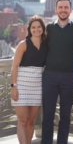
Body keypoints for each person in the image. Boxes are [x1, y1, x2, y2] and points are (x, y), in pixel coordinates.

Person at [42, 0, 73, 144]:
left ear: (70, 10)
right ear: (56, 9)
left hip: (70, 76)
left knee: (65, 116)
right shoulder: (49, 28)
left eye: (66, 8)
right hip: (49, 76)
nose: (63, 10)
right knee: (48, 115)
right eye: (60, 7)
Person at [11, 15, 48, 144]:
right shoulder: (23, 44)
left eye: (39, 27)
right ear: (29, 29)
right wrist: (13, 87)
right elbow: (14, 66)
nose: (36, 29)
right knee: (23, 120)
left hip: (37, 86)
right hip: (21, 86)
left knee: (31, 121)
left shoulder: (46, 45)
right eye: (33, 27)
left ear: (43, 28)